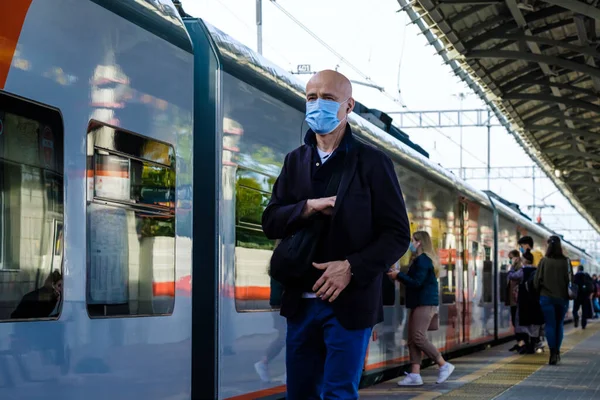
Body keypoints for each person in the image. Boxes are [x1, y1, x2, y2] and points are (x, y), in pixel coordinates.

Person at [262, 69, 411, 399]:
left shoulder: (373, 162)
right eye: (311, 98)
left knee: (338, 393)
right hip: (300, 302)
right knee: (299, 393)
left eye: (328, 98)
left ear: (349, 106)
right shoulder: (294, 162)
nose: (318, 105)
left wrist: (352, 267)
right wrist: (309, 207)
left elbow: (398, 234)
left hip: (349, 303)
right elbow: (270, 221)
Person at [387, 231, 454, 386]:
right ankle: (415, 374)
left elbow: (417, 282)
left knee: (418, 337)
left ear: (420, 242)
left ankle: (443, 364)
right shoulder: (420, 260)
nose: (411, 243)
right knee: (412, 340)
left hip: (425, 303)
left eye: (413, 240)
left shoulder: (423, 260)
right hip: (418, 303)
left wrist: (398, 276)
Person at [534, 235, 571, 365]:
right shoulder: (566, 261)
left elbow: (536, 281)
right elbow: (569, 281)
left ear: (548, 246)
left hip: (546, 298)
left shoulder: (544, 261)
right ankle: (557, 352)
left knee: (550, 324)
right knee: (559, 324)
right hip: (562, 298)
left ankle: (552, 353)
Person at [508, 250, 544, 354]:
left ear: (525, 260)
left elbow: (511, 276)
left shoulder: (522, 271)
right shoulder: (537, 271)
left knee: (523, 324)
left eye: (522, 259)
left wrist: (512, 267)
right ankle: (533, 345)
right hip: (536, 302)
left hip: (524, 301)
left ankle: (527, 346)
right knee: (533, 323)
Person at [506, 250, 525, 352]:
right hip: (514, 300)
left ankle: (522, 343)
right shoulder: (518, 268)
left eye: (511, 258)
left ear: (517, 258)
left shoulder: (520, 268)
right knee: (515, 322)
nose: (510, 260)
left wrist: (512, 267)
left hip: (517, 300)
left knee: (518, 322)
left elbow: (511, 276)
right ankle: (520, 342)